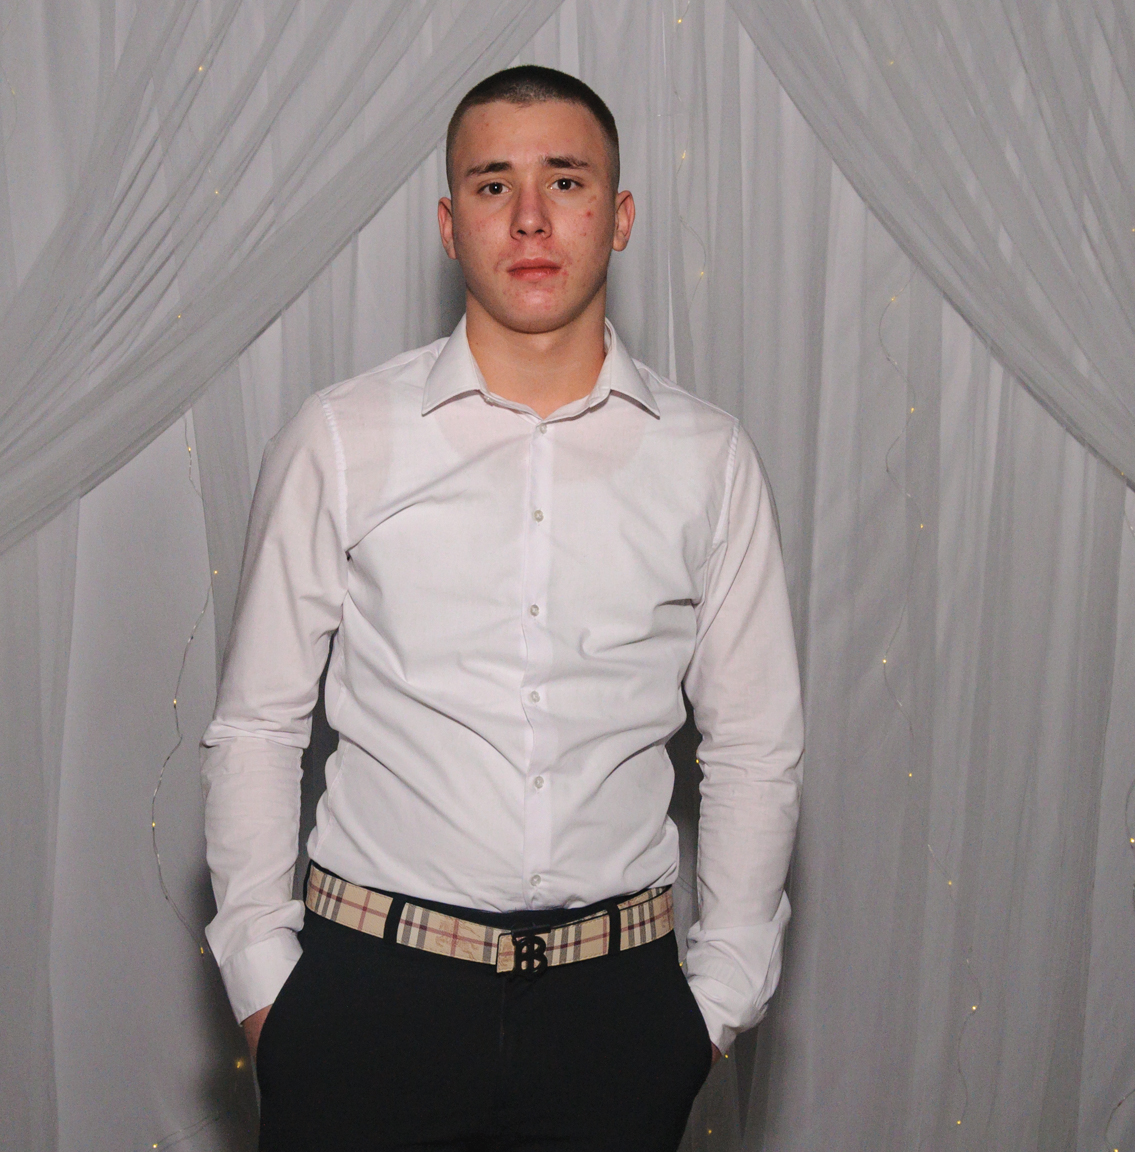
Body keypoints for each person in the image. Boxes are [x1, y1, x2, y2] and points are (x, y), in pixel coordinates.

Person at [200, 65, 802, 1151]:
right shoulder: (341, 437)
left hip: (615, 1016)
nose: (529, 216)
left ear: (619, 216)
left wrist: (715, 1000)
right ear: (449, 225)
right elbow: (256, 725)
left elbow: (754, 747)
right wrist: (264, 986)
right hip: (365, 1004)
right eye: (491, 185)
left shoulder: (707, 459)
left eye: (565, 180)